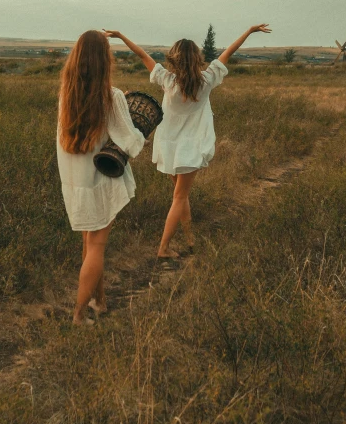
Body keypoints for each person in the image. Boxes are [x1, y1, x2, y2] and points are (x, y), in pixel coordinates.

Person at [103, 25, 271, 259]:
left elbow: (142, 55)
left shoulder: (167, 80)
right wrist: (249, 31)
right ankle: (163, 248)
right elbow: (228, 53)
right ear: (197, 59)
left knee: (180, 194)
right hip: (190, 147)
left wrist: (120, 36)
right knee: (180, 196)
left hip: (169, 145)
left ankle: (190, 238)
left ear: (174, 59)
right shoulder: (207, 80)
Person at [57, 30, 145, 325]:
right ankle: (79, 315)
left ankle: (99, 300)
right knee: (96, 247)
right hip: (101, 181)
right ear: (104, 60)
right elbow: (129, 140)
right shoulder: (112, 96)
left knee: (89, 243)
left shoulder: (66, 93)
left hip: (76, 182)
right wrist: (140, 135)